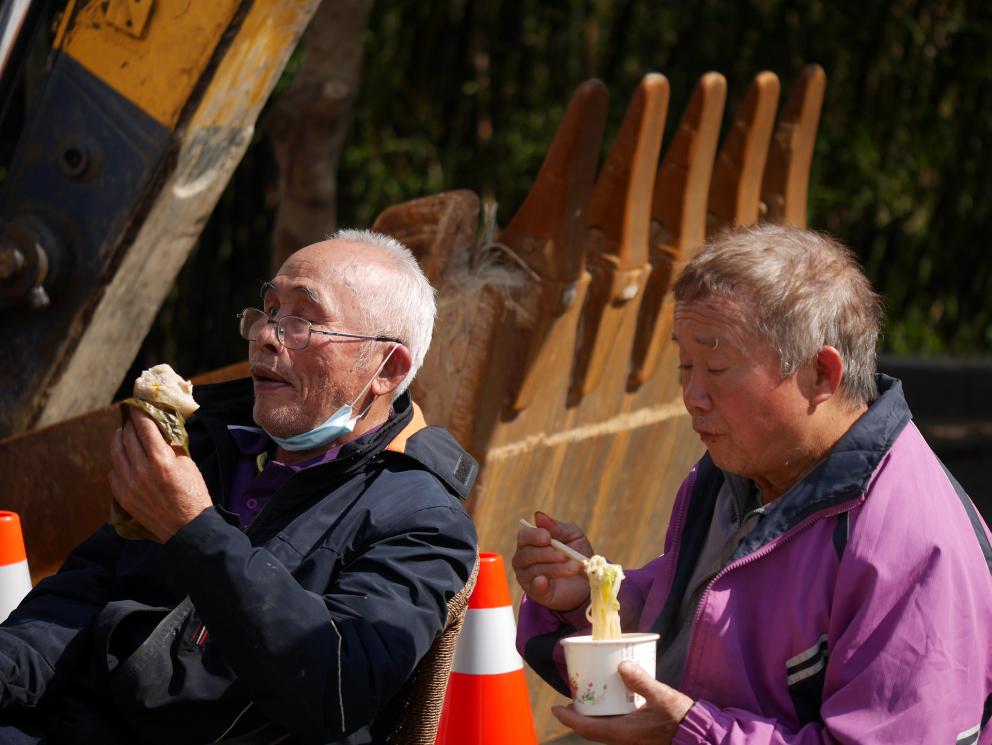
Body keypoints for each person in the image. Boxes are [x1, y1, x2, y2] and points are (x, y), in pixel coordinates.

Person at [514, 224, 992, 744]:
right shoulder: (735, 477)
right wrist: (593, 600)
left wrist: (690, 734)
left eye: (717, 368)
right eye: (685, 366)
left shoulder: (913, 544)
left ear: (820, 376)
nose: (692, 396)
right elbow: (708, 625)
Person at [0, 230, 479, 744]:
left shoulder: (424, 521)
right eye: (269, 311)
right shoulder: (205, 442)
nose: (267, 335)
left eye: (304, 320)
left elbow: (333, 690)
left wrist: (193, 529)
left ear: (387, 368)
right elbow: (80, 596)